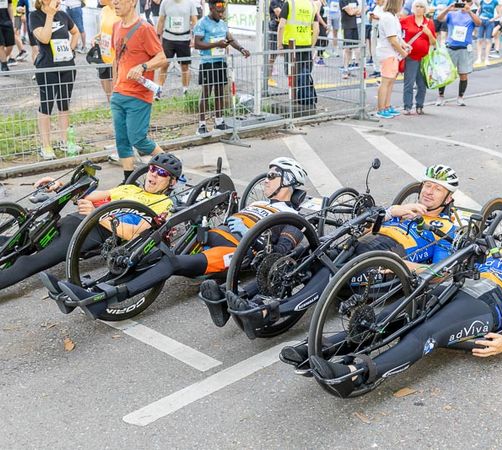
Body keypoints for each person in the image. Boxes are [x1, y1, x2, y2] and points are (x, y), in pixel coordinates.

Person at [308, 205, 502, 398]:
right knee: (393, 314)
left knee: (425, 331)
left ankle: (358, 372)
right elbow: (447, 271)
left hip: (485, 305)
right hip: (456, 285)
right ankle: (325, 346)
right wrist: (406, 265)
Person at [44, 158, 309, 322]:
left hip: (234, 250)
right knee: (157, 249)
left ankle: (106, 298)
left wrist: (262, 254)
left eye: (272, 176)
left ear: (287, 182)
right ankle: (91, 287)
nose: (266, 180)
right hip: (211, 236)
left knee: (171, 264)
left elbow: (283, 251)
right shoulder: (260, 202)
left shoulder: (293, 216)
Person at [233, 164, 461, 339]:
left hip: (388, 257)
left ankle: (271, 312)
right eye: (427, 185)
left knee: (331, 269)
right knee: (315, 251)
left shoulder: (447, 228)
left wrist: (401, 265)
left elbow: (438, 273)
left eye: (437, 189)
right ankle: (245, 294)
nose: (429, 192)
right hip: (365, 243)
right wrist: (393, 212)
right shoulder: (406, 210)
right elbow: (368, 225)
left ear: (448, 198)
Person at [1, 153, 182, 292]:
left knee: (29, 263)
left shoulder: (163, 205)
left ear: (171, 182)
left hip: (90, 234)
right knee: (16, 244)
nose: (153, 175)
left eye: (161, 173)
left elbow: (133, 233)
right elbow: (87, 196)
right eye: (152, 169)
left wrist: (97, 214)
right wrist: (60, 187)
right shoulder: (130, 188)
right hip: (71, 221)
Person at [110, 0, 167, 183]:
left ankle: (170, 165)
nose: (115, 2)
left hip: (138, 95)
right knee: (122, 140)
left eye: (119, 0)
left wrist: (143, 66)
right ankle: (128, 180)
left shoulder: (145, 28)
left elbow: (162, 58)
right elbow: (116, 60)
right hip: (119, 93)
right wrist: (114, 86)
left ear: (133, 2)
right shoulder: (116, 26)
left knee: (138, 139)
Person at [30, 0, 79, 160]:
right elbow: (44, 39)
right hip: (47, 66)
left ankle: (65, 141)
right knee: (47, 104)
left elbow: (76, 32)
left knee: (64, 104)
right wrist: (50, 15)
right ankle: (46, 145)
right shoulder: (35, 16)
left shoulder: (63, 15)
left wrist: (71, 49)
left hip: (66, 66)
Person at [193, 0, 250, 137]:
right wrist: (216, 44)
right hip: (207, 62)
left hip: (220, 62)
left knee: (219, 93)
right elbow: (197, 43)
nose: (221, 14)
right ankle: (201, 125)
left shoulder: (223, 24)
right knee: (206, 94)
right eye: (218, 12)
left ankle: (219, 121)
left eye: (222, 11)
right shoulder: (202, 23)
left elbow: (231, 39)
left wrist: (241, 48)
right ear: (211, 9)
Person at [436, 0, 482, 106]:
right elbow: (439, 18)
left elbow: (479, 23)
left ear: (471, 3)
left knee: (463, 74)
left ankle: (460, 97)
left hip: (464, 48)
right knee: (445, 73)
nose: (464, 3)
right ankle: (440, 96)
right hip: (451, 47)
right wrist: (448, 8)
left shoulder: (472, 15)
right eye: (462, 1)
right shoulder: (451, 14)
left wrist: (469, 11)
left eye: (468, 1)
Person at [374, 0, 408, 118]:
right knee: (386, 81)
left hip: (392, 54)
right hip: (388, 53)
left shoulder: (392, 17)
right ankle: (381, 108)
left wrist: (404, 45)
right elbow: (392, 40)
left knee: (390, 81)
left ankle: (387, 106)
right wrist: (402, 52)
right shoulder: (388, 17)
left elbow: (397, 37)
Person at [400, 0, 436, 115]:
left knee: (422, 84)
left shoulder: (429, 23)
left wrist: (428, 33)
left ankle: (420, 105)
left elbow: (434, 42)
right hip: (410, 57)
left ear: (425, 9)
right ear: (413, 8)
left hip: (424, 57)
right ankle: (407, 106)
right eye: (417, 6)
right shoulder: (407, 20)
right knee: (408, 83)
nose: (419, 8)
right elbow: (395, 32)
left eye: (421, 6)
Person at [157, 0, 197, 95]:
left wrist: (194, 38)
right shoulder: (165, 2)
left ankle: (185, 90)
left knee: (184, 66)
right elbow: (161, 20)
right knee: (164, 64)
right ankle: (158, 90)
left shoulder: (190, 3)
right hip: (168, 38)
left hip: (184, 39)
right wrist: (157, 37)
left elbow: (194, 21)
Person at [277, 0, 319, 82]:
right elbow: (316, 30)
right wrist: (312, 46)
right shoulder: (313, 5)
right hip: (306, 44)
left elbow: (281, 26)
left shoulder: (289, 3)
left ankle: (294, 93)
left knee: (291, 73)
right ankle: (303, 93)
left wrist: (279, 45)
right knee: (305, 73)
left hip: (291, 45)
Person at [95, 0, 119, 102]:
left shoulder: (119, 10)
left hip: (116, 55)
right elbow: (103, 30)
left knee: (116, 88)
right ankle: (112, 107)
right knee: (105, 83)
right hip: (104, 53)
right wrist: (96, 37)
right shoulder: (104, 10)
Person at [475, 0, 502, 65]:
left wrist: (492, 19)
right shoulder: (482, 1)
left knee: (488, 40)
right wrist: (477, 17)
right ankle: (479, 58)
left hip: (490, 22)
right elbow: (478, 11)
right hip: (481, 21)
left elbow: (499, 14)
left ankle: (486, 59)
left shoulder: (495, 2)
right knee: (479, 40)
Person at [339, 0, 360, 79]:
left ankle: (348, 68)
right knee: (347, 48)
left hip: (354, 25)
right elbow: (350, 13)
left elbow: (360, 11)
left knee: (354, 47)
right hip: (346, 26)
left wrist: (353, 10)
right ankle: (345, 69)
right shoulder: (342, 1)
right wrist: (354, 10)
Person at [267, 0, 284, 84]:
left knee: (290, 55)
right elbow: (279, 13)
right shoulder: (274, 1)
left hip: (284, 30)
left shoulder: (285, 2)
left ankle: (292, 81)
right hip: (275, 30)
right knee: (273, 55)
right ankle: (269, 78)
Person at [368, 0, 384, 77]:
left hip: (381, 32)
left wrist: (377, 17)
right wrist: (371, 17)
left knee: (379, 50)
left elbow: (386, 19)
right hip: (374, 29)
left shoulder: (385, 8)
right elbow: (370, 20)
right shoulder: (376, 7)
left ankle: (381, 70)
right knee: (373, 49)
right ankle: (376, 69)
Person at [0, 0, 15, 71]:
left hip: (7, 22)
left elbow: (9, 5)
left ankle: (2, 59)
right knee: (1, 45)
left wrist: (12, 20)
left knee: (10, 46)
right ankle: (4, 65)